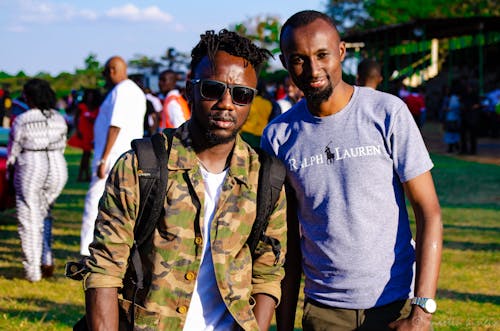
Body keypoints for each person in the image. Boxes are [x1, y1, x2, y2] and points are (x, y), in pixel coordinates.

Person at [83, 29, 287, 330]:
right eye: (213, 89)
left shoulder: (266, 178)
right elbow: (104, 270)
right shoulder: (141, 167)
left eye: (241, 95)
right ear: (190, 90)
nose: (227, 103)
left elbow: (268, 273)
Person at [261, 10, 442, 331]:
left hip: (395, 303)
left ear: (341, 52)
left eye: (322, 55)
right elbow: (285, 239)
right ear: (285, 62)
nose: (313, 69)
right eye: (299, 59)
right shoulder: (278, 136)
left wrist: (421, 311)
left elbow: (429, 212)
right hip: (325, 310)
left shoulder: (387, 113)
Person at [79, 56, 146, 256]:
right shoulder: (134, 90)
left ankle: (87, 250)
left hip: (113, 156)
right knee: (122, 205)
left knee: (94, 202)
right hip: (126, 155)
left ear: (111, 70)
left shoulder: (123, 91)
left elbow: (115, 125)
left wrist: (104, 158)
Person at [7, 78, 68, 282]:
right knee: (45, 214)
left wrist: (9, 174)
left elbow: (12, 153)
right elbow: (63, 145)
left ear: (29, 97)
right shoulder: (59, 118)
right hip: (57, 167)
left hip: (31, 166)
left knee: (28, 219)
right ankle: (46, 258)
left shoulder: (22, 119)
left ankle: (33, 271)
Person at [67, 88, 102, 182]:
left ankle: (86, 175)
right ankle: (83, 175)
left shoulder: (98, 108)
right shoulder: (82, 106)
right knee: (86, 154)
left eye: (92, 96)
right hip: (84, 133)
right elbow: (75, 119)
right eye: (89, 96)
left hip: (93, 133)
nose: (90, 98)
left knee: (89, 155)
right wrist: (77, 130)